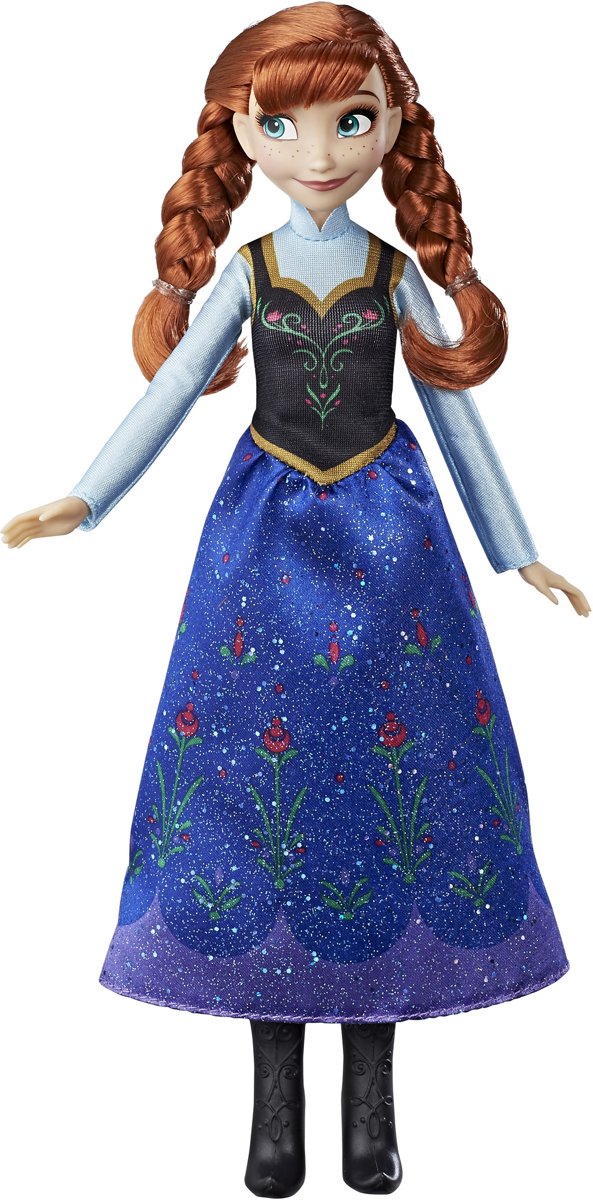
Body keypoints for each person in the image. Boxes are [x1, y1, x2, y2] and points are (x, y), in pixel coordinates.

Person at [2, 4, 589, 1196]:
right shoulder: (249, 273)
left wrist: (515, 551)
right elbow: (173, 390)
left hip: (396, 554)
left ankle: (371, 1115)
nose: (317, 152)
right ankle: (273, 1117)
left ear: (392, 129)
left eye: (349, 120)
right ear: (237, 133)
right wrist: (83, 497)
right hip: (260, 553)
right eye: (282, 125)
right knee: (251, 801)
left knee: (390, 799)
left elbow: (455, 414)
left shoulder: (392, 276)